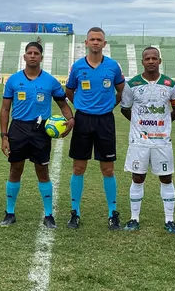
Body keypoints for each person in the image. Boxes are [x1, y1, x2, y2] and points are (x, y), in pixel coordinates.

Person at [0, 42, 74, 228]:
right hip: (18, 128)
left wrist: (70, 120)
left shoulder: (50, 81)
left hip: (41, 131)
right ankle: (10, 212)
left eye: (36, 53)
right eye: (29, 53)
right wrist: (4, 136)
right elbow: (5, 109)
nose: (32, 56)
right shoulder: (13, 80)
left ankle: (49, 215)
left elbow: (63, 104)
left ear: (41, 57)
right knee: (15, 169)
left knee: (42, 171)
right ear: (24, 57)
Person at [65, 26, 125, 230]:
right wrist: (81, 106)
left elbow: (121, 90)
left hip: (105, 121)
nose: (95, 42)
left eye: (99, 39)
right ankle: (75, 212)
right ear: (86, 43)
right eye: (92, 39)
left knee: (107, 169)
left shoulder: (113, 67)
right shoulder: (78, 67)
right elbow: (70, 90)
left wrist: (110, 105)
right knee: (78, 167)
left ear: (104, 44)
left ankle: (112, 213)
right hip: (83, 120)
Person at [120, 47, 175, 234]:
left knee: (166, 177)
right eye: (147, 58)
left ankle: (170, 220)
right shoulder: (132, 85)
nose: (150, 61)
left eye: (154, 58)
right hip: (139, 141)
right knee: (137, 177)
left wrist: (163, 125)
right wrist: (139, 124)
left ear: (159, 61)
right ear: (142, 62)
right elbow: (125, 108)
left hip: (162, 142)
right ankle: (134, 218)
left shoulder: (170, 84)